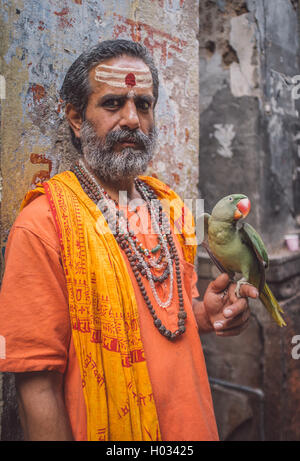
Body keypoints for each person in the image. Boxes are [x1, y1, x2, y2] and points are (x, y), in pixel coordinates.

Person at [0, 39, 258, 441]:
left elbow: (173, 315)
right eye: (112, 104)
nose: (132, 120)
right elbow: (37, 385)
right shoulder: (43, 225)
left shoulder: (171, 207)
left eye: (144, 105)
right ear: (74, 118)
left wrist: (208, 315)